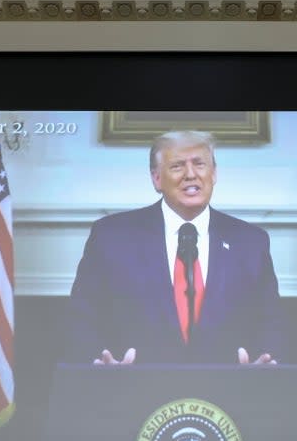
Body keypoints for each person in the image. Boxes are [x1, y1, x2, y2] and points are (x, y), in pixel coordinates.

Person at [65, 130, 284, 365]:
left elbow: (271, 322)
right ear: (156, 178)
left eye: (199, 164)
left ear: (214, 174)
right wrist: (99, 364)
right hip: (134, 391)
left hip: (227, 392)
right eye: (178, 166)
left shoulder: (250, 241)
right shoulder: (111, 236)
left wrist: (264, 364)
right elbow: (82, 318)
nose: (191, 175)